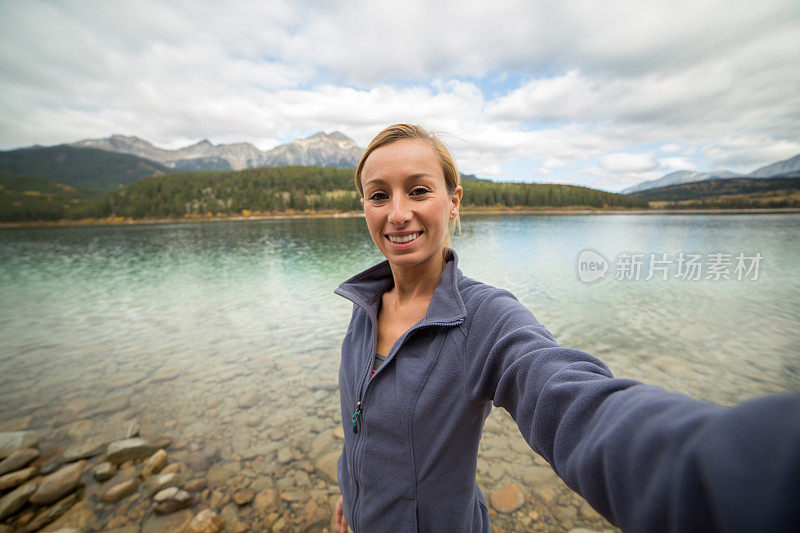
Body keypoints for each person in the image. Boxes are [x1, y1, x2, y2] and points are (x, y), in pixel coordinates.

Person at [332, 124, 800, 533]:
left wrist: (724, 465)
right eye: (378, 195)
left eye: (418, 190)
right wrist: (352, 494)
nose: (397, 213)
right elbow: (363, 430)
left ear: (453, 202)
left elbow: (564, 392)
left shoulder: (483, 318)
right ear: (365, 208)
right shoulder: (365, 306)